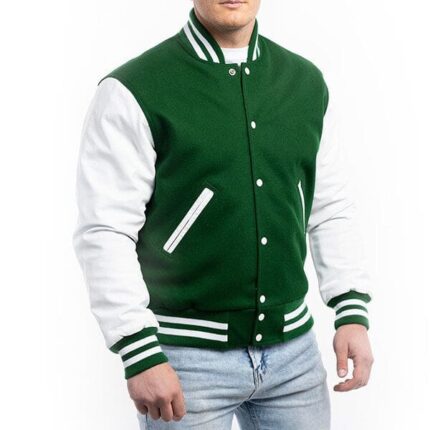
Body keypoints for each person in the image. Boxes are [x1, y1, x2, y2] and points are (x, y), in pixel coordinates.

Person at [73, 1, 374, 428]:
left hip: (295, 359)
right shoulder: (134, 89)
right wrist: (137, 349)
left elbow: (331, 207)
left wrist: (351, 310)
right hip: (183, 362)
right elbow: (105, 230)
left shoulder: (305, 83)